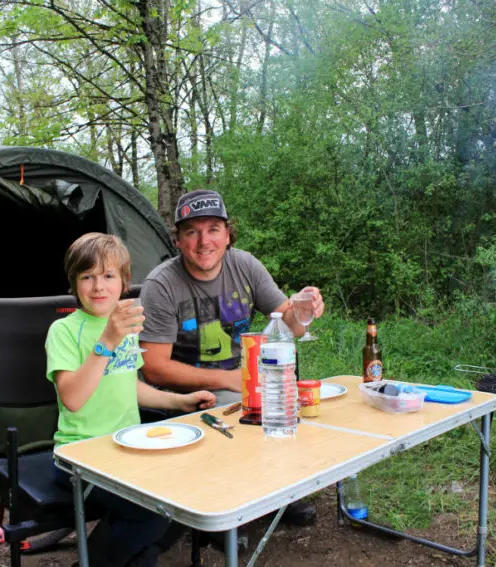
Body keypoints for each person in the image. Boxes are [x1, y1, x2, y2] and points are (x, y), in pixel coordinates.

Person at [139, 189, 325, 528]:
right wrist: (228, 379)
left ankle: (281, 490)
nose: (203, 241)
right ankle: (229, 509)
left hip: (245, 377)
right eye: (191, 231)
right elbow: (154, 366)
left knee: (295, 397)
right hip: (187, 391)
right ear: (178, 240)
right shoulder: (161, 284)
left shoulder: (245, 265)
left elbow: (288, 323)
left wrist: (302, 309)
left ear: (227, 235)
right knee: (248, 404)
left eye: (212, 229)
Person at [46, 232, 216, 567]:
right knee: (150, 514)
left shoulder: (124, 329)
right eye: (87, 277)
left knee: (190, 498)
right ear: (74, 283)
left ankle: (136, 559)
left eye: (108, 276)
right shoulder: (63, 331)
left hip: (129, 448)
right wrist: (107, 341)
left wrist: (180, 402)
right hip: (80, 456)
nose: (98, 287)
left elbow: (130, 387)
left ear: (124, 283)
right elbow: (73, 400)